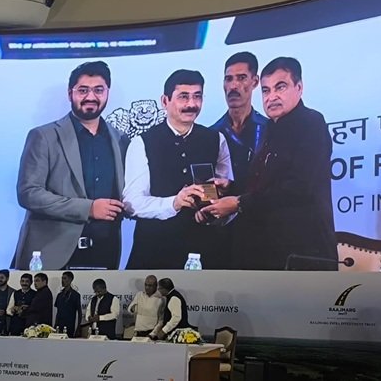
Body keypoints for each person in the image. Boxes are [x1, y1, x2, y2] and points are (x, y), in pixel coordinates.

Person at [201, 57, 338, 270]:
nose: (271, 97)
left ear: (299, 87)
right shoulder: (271, 128)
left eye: (280, 87)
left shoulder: (311, 122)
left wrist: (239, 203)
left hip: (302, 255)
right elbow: (265, 186)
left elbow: (298, 187)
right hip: (268, 254)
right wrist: (230, 187)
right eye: (266, 90)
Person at [13, 61, 130, 271]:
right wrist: (89, 209)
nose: (91, 97)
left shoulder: (121, 140)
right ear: (70, 94)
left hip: (106, 252)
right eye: (83, 90)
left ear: (107, 93)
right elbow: (29, 193)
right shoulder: (44, 136)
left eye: (98, 90)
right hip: (51, 256)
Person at [123, 69, 234, 269]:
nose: (191, 104)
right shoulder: (142, 142)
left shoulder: (216, 139)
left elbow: (223, 196)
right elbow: (132, 203)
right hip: (154, 252)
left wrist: (213, 213)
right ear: (165, 101)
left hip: (205, 252)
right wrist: (173, 203)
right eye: (183, 96)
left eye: (197, 96)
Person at [210, 52, 268, 195]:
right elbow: (207, 190)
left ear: (255, 82)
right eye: (228, 79)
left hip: (265, 208)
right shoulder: (211, 135)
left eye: (241, 78)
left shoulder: (271, 130)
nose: (233, 86)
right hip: (223, 209)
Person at [54, 272, 81, 337]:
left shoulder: (76, 295)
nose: (62, 280)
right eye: (62, 278)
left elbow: (79, 312)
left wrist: (78, 327)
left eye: (65, 278)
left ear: (70, 279)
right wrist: (55, 325)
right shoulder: (59, 295)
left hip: (70, 325)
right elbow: (58, 312)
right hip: (59, 325)